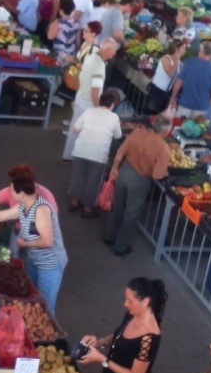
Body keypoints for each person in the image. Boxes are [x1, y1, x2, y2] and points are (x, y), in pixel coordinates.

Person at [0, 174, 69, 312]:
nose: (10, 192)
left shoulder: (41, 210)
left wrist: (25, 244)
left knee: (44, 305)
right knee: (30, 295)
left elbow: (48, 241)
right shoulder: (23, 206)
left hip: (50, 264)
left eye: (12, 190)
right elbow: (0, 215)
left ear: (21, 193)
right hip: (34, 258)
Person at [107, 116, 172, 257]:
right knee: (131, 213)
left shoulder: (138, 132)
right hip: (140, 181)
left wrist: (115, 168)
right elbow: (157, 175)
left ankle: (109, 236)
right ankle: (121, 246)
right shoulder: (163, 148)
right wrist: (165, 171)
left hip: (124, 172)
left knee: (117, 206)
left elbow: (120, 152)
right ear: (166, 132)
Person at [69, 90, 122, 218]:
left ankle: (74, 203)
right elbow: (118, 135)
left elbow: (76, 128)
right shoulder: (114, 117)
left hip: (80, 150)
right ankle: (87, 209)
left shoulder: (89, 111)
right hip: (98, 155)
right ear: (112, 105)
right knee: (93, 181)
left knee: (78, 177)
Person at [63, 35, 116, 160]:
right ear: (108, 51)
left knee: (74, 128)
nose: (114, 54)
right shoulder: (99, 66)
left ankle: (67, 155)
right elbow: (95, 90)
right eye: (113, 51)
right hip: (88, 102)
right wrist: (98, 108)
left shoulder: (91, 57)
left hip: (80, 95)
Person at [171, 42, 211, 119]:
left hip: (185, 104)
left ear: (200, 50)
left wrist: (173, 97)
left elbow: (178, 82)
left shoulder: (188, 63)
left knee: (178, 129)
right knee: (198, 130)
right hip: (203, 108)